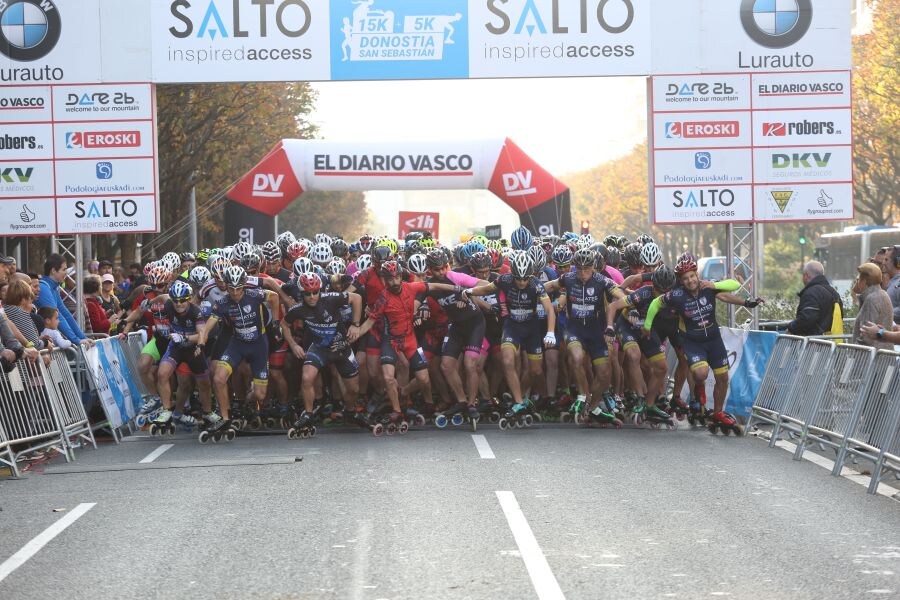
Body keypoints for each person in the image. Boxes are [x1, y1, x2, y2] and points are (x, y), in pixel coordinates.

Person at [35, 253, 88, 345]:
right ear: (53, 271)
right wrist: (76, 340)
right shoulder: (44, 288)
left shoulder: (53, 288)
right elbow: (57, 316)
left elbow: (65, 313)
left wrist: (82, 337)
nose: (66, 272)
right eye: (64, 269)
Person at [786, 261, 842, 337]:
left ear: (807, 275)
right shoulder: (834, 293)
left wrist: (791, 327)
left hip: (812, 343)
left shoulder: (811, 293)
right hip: (831, 342)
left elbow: (807, 318)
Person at [851, 263, 893, 350]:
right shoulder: (883, 294)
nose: (857, 283)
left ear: (864, 281)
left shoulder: (871, 299)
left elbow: (866, 335)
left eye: (859, 280)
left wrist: (853, 350)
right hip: (884, 354)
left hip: (871, 357)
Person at [884, 245, 900, 325]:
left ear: (897, 262)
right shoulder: (892, 282)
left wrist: (884, 313)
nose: (883, 263)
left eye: (886, 260)